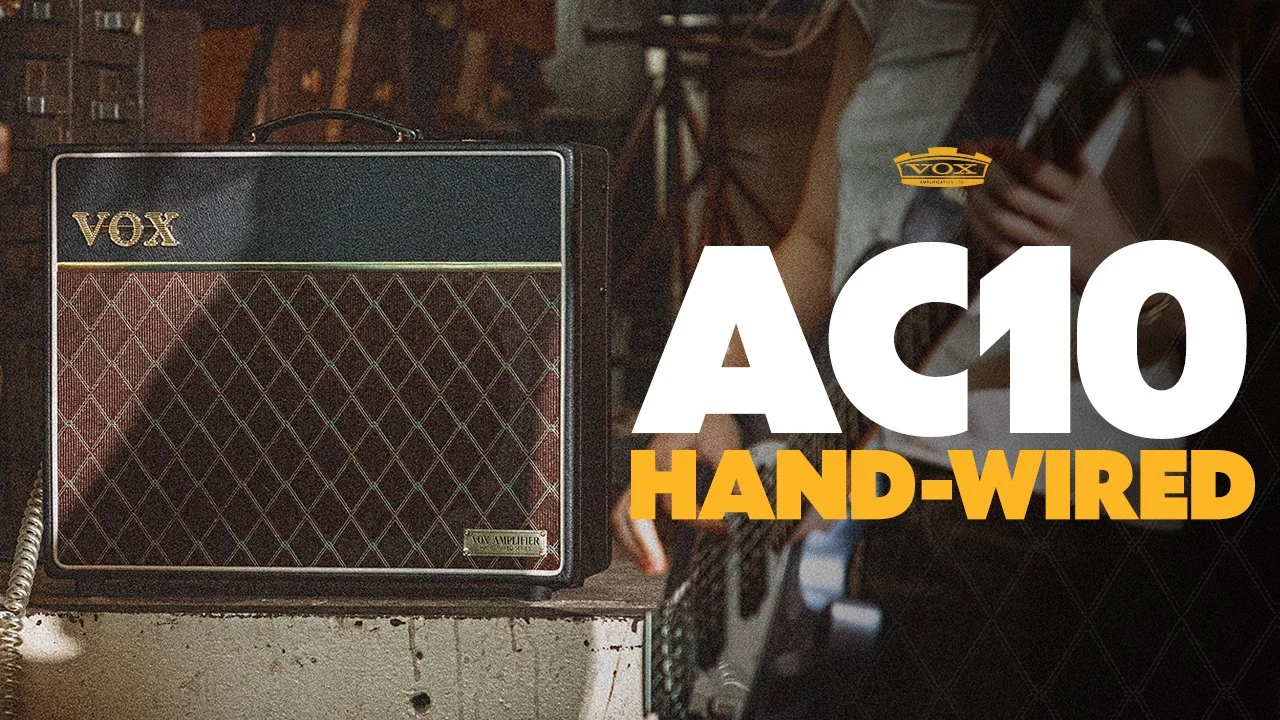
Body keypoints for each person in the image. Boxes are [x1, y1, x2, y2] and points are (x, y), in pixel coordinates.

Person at [613, 0, 1258, 717]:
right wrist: (694, 393)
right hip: (872, 505)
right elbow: (817, 239)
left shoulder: (1148, 18)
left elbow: (1228, 296)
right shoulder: (878, 11)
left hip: (1056, 526)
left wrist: (1110, 256)